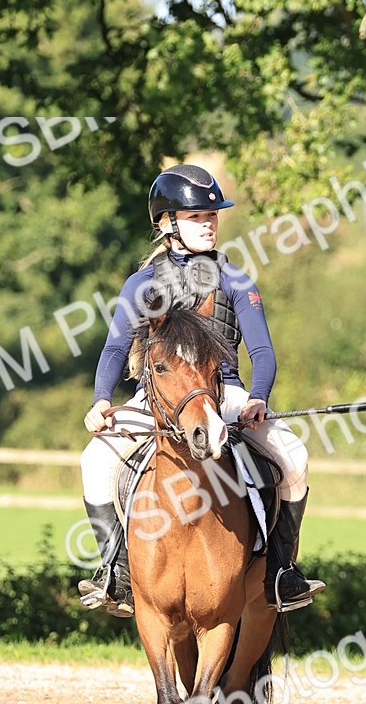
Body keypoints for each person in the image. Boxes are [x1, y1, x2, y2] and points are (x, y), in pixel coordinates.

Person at [78, 162, 325, 617]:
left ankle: (281, 571)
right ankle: (116, 572)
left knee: (295, 458)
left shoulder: (236, 281)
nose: (209, 224)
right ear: (167, 223)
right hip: (157, 400)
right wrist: (100, 400)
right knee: (93, 460)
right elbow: (114, 350)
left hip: (224, 396)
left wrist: (258, 398)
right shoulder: (142, 285)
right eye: (197, 218)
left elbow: (263, 353)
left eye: (212, 217)